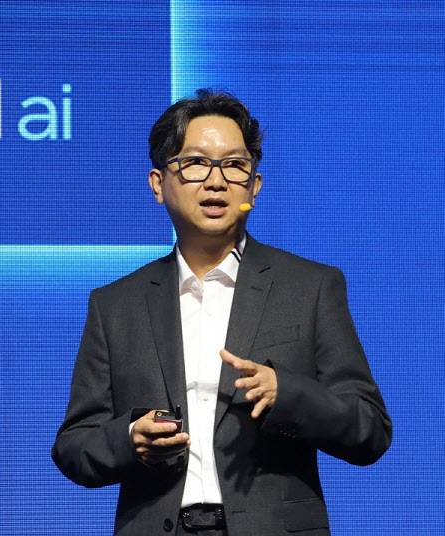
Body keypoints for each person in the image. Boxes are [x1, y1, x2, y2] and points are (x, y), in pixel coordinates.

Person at [52, 89, 392, 536]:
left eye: (234, 165)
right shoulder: (116, 304)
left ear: (255, 186)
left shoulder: (310, 287)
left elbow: (370, 430)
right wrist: (130, 438)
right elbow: (74, 447)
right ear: (158, 184)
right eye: (195, 163)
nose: (216, 181)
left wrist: (288, 395)